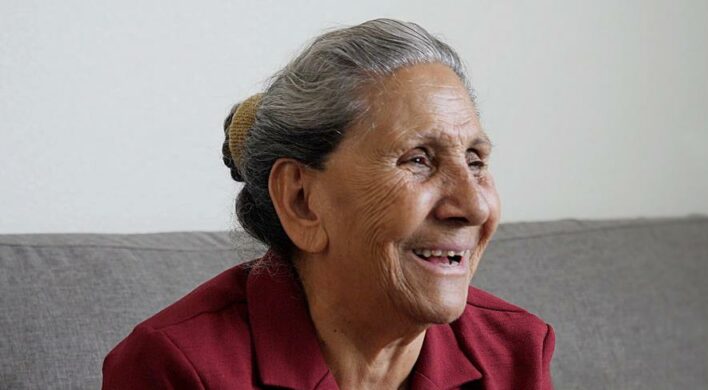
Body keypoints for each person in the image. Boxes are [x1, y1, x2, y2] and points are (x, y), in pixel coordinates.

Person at [102, 18, 555, 390]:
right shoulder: (177, 368)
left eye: (476, 161)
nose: (473, 206)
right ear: (302, 200)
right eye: (418, 159)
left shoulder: (515, 353)